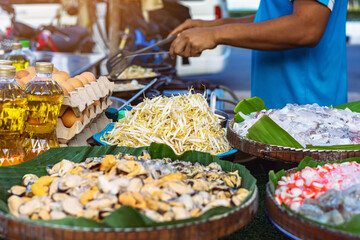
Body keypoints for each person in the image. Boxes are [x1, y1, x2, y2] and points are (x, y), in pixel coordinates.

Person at [168, 0, 347, 109]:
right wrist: (214, 27)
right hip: (285, 118)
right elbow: (274, 17)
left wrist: (216, 35)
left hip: (308, 122)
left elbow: (307, 27)